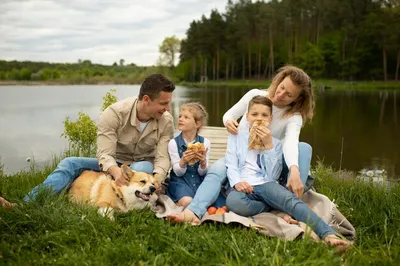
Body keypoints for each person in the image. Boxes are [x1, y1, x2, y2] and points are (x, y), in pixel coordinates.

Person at [167, 65, 315, 224]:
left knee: (304, 148)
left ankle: (290, 199)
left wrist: (294, 169)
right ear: (278, 81)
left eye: (289, 94)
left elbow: (291, 143)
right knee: (216, 170)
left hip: (268, 164)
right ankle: (194, 211)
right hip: (239, 157)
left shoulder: (294, 116)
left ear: (297, 99)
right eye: (281, 87)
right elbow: (229, 114)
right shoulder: (255, 95)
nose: (280, 94)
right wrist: (228, 122)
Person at [0, 74, 175, 208]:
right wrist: (115, 171)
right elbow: (105, 154)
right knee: (69, 163)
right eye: (163, 103)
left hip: (142, 168)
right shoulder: (114, 113)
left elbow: (162, 157)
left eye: (168, 103)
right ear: (146, 99)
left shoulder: (166, 120)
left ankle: (125, 203)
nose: (167, 109)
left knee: (143, 167)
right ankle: (25, 204)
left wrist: (157, 178)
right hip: (115, 163)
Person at [225, 95, 348, 247]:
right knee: (233, 202)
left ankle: (328, 234)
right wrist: (237, 182)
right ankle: (271, 206)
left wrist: (268, 146)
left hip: (266, 183)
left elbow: (273, 175)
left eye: (264, 115)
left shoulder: (275, 143)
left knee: (292, 202)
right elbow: (231, 164)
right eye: (254, 114)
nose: (259, 118)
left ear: (270, 119)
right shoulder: (235, 137)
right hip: (244, 183)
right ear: (247, 116)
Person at [166, 103, 225, 210]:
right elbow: (178, 172)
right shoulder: (173, 143)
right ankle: (184, 203)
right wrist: (183, 161)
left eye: (186, 117)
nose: (180, 119)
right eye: (180, 116)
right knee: (188, 202)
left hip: (199, 180)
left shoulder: (204, 143)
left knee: (219, 204)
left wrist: (203, 163)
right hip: (181, 181)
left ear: (197, 124)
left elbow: (203, 172)